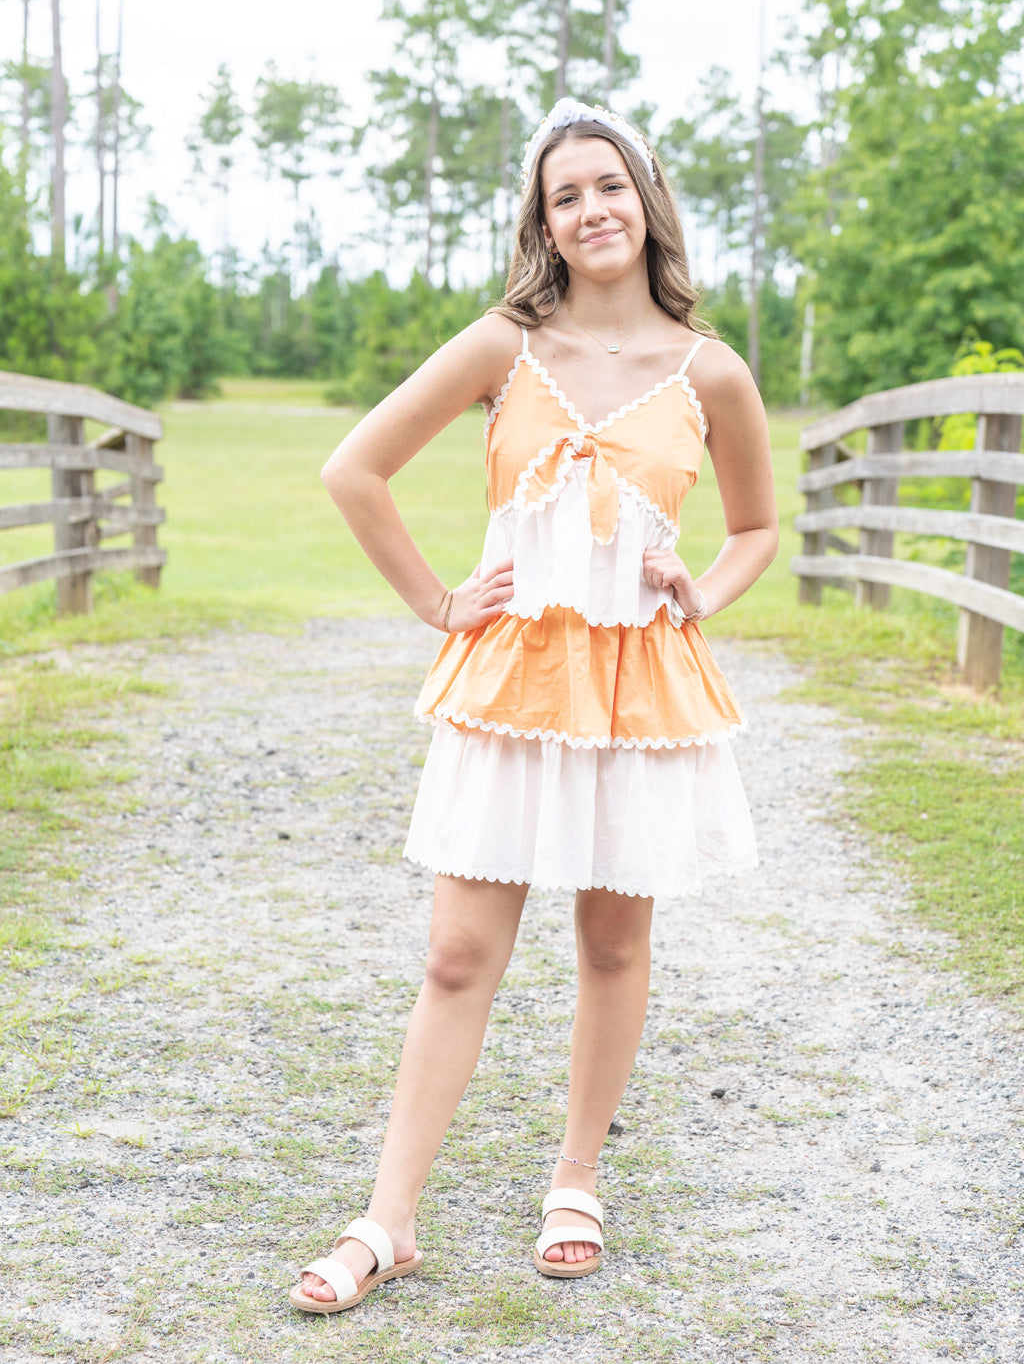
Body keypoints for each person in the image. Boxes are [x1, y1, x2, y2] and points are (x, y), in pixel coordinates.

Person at [289, 96, 777, 1313]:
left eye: (608, 184)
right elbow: (354, 467)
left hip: (636, 688)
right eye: (565, 195)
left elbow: (761, 526)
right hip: (511, 685)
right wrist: (438, 600)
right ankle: (387, 1218)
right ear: (544, 224)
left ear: (644, 199)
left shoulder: (710, 367)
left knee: (613, 939)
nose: (590, 208)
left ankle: (575, 1174)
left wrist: (698, 587)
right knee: (459, 953)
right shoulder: (503, 344)